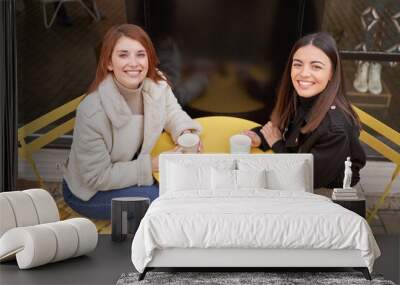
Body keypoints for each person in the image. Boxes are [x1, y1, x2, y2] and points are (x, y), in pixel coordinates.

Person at [63, 24, 202, 219]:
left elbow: (171, 112)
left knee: (188, 184)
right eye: (123, 55)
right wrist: (151, 165)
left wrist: (184, 132)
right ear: (109, 63)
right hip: (90, 192)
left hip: (131, 167)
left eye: (140, 54)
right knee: (167, 202)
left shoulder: (157, 84)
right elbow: (96, 177)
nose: (134, 63)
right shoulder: (92, 112)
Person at [242, 32, 366, 190]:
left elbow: (306, 179)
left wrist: (277, 144)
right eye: (298, 64)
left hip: (324, 188)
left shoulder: (334, 130)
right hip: (301, 160)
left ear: (331, 74)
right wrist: (260, 137)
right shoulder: (303, 96)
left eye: (316, 66)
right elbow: (289, 129)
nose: (304, 73)